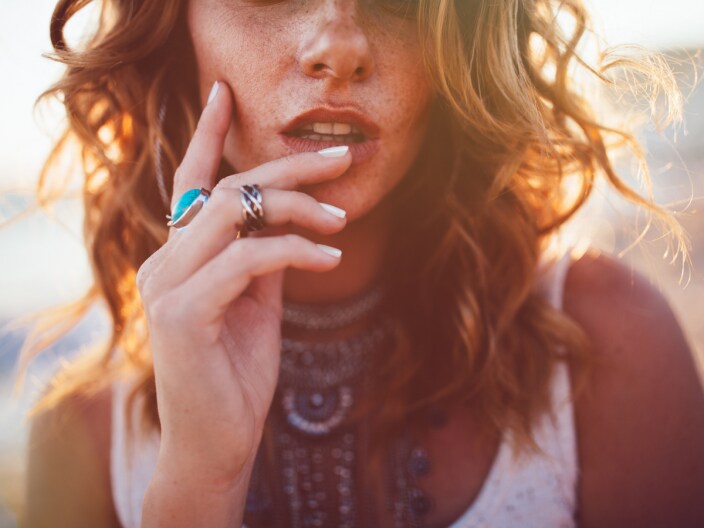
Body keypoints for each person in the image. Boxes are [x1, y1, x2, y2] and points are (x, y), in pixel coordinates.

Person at [17, 0, 704, 527]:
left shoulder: (604, 349)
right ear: (174, 29)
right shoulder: (81, 437)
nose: (340, 46)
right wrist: (200, 482)